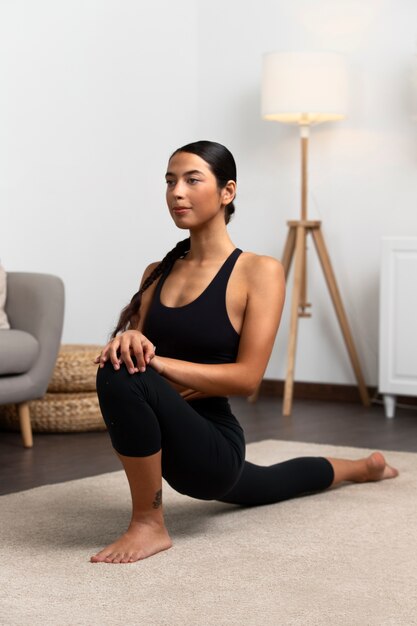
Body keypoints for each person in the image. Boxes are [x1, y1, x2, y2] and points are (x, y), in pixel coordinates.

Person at [91, 140, 398, 565]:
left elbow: (247, 378)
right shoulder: (156, 273)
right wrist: (127, 342)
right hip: (166, 432)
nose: (176, 192)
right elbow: (136, 369)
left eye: (192, 180)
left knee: (266, 481)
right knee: (268, 481)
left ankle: (149, 524)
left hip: (214, 445)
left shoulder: (259, 271)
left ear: (227, 192)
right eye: (169, 181)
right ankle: (365, 468)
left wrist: (156, 361)